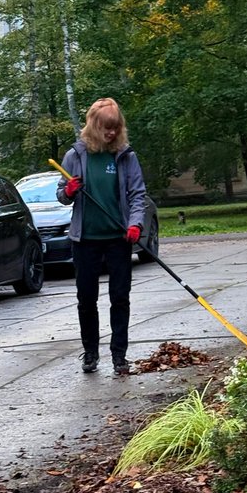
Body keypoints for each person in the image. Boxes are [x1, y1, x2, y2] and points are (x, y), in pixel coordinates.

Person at [57, 98, 148, 374]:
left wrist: (135, 224)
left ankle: (119, 355)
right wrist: (69, 191)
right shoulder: (76, 155)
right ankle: (91, 353)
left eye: (115, 127)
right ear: (94, 125)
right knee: (87, 298)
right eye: (106, 128)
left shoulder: (124, 155)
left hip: (119, 238)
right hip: (85, 240)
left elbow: (138, 194)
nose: (111, 132)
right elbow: (61, 194)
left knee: (120, 296)